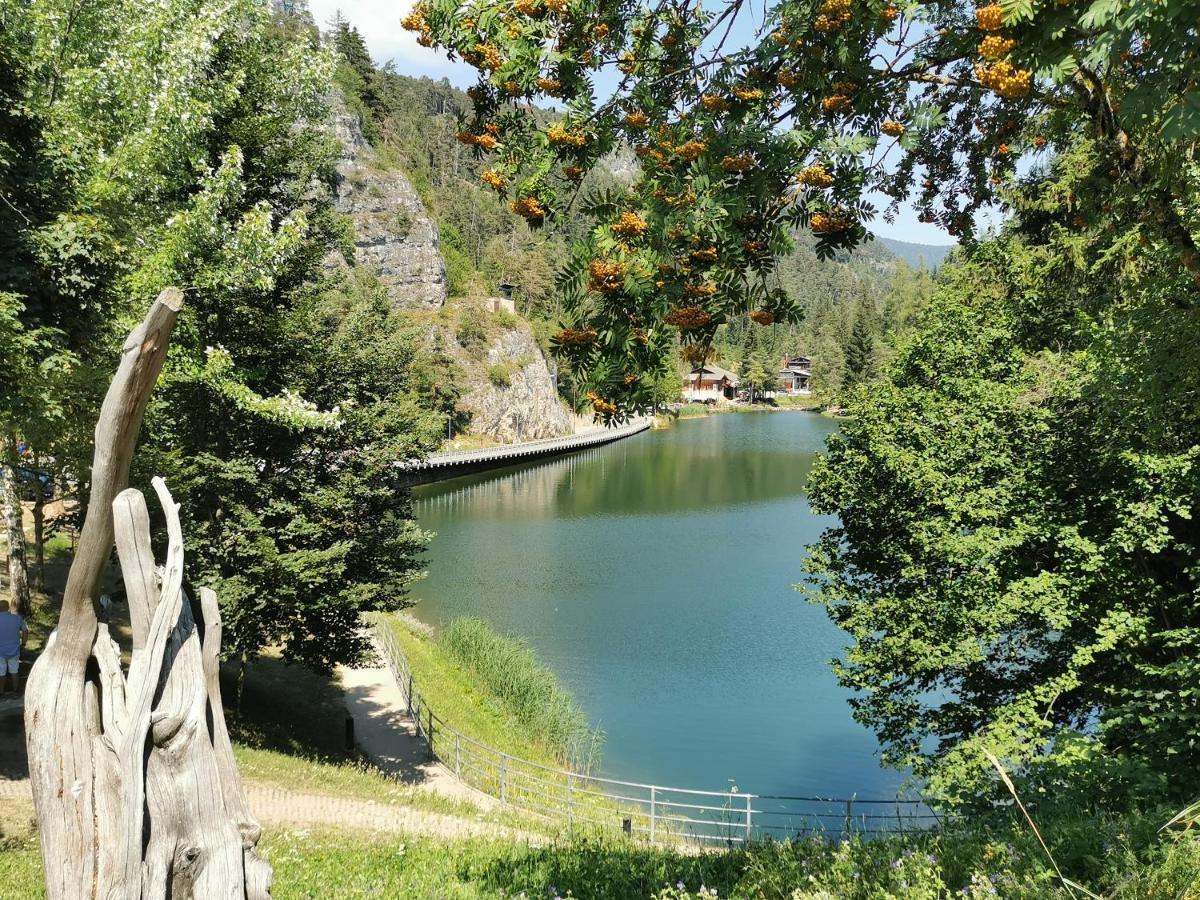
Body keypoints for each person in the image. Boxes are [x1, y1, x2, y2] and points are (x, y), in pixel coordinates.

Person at [0, 599, 27, 694]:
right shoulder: (17, 618)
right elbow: (25, 630)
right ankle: (15, 691)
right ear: (8, 608)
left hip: (0, 652)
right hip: (14, 650)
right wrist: (23, 643)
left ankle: (1, 692)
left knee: (1, 673)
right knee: (14, 672)